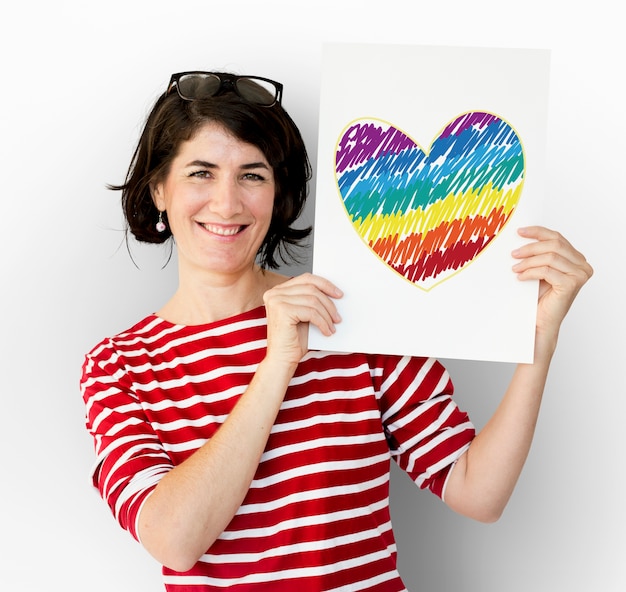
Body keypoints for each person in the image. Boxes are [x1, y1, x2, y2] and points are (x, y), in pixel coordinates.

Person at [80, 71, 593, 591]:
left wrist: (538, 335)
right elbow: (174, 541)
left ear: (278, 194)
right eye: (201, 173)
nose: (228, 203)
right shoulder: (119, 365)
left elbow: (478, 493)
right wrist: (277, 363)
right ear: (159, 190)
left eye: (252, 175)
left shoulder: (355, 316)